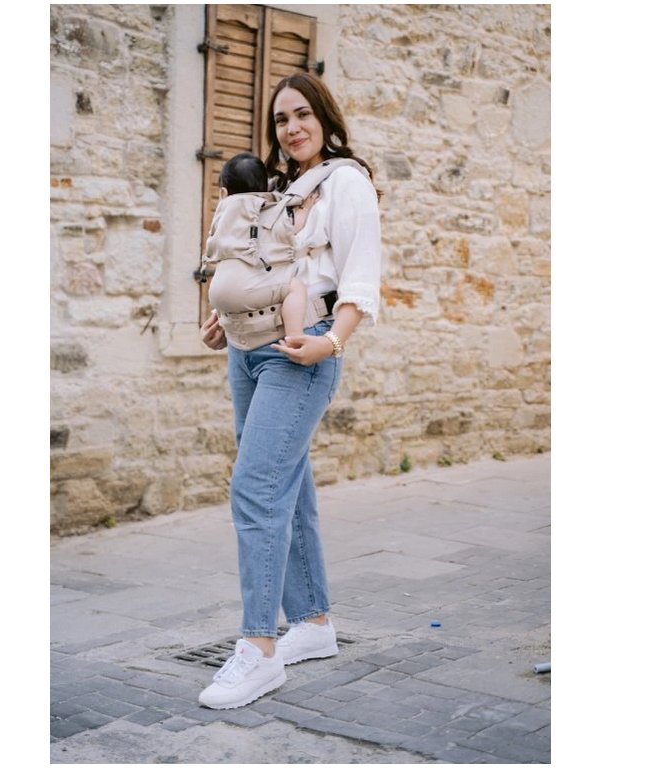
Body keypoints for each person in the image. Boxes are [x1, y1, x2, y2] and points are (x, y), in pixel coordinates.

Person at [198, 72, 382, 709]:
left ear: (325, 118)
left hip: (303, 350)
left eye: (303, 114)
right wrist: (226, 317)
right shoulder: (278, 190)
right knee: (287, 482)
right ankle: (312, 622)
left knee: (256, 487)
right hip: (249, 347)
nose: (292, 128)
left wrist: (333, 342)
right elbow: (262, 267)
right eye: (281, 119)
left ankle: (259, 650)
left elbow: (360, 276)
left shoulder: (346, 183)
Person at [203, 151, 309, 341]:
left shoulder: (221, 215)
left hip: (218, 293)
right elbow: (291, 227)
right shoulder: (265, 212)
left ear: (223, 193)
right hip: (248, 292)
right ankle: (295, 337)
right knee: (296, 287)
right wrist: (306, 209)